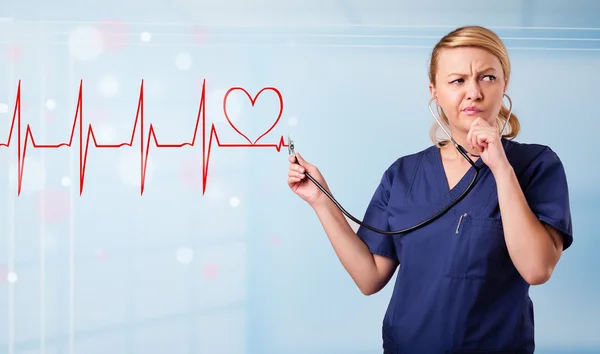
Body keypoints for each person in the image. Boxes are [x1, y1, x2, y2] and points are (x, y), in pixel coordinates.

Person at [286, 25, 573, 354]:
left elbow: (537, 269)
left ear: (504, 84)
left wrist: (500, 167)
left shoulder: (536, 165)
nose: (474, 92)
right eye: (457, 81)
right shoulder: (403, 174)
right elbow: (370, 277)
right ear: (434, 91)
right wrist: (321, 201)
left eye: (488, 77)